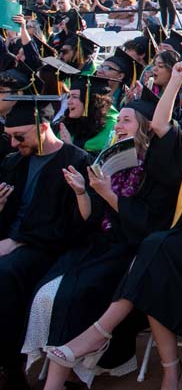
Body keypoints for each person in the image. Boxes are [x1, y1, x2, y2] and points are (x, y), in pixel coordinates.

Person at [45, 62, 182, 390]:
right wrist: (177, 79)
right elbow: (161, 123)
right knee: (154, 258)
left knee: (154, 249)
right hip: (181, 245)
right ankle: (167, 369)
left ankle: (100, 337)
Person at [33, 93, 173, 390]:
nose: (120, 125)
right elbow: (92, 217)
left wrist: (108, 193)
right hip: (97, 245)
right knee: (47, 292)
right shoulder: (108, 160)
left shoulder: (156, 169)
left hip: (128, 251)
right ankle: (63, 369)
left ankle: (70, 372)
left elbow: (145, 224)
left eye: (127, 120)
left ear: (144, 126)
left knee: (77, 295)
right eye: (118, 119)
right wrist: (84, 192)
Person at [0, 98, 92, 390]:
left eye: (19, 137)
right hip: (9, 243)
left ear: (43, 127)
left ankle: (11, 365)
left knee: (6, 273)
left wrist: (18, 241)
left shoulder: (75, 162)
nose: (14, 144)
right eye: (10, 137)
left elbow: (72, 228)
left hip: (47, 250)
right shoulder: (12, 163)